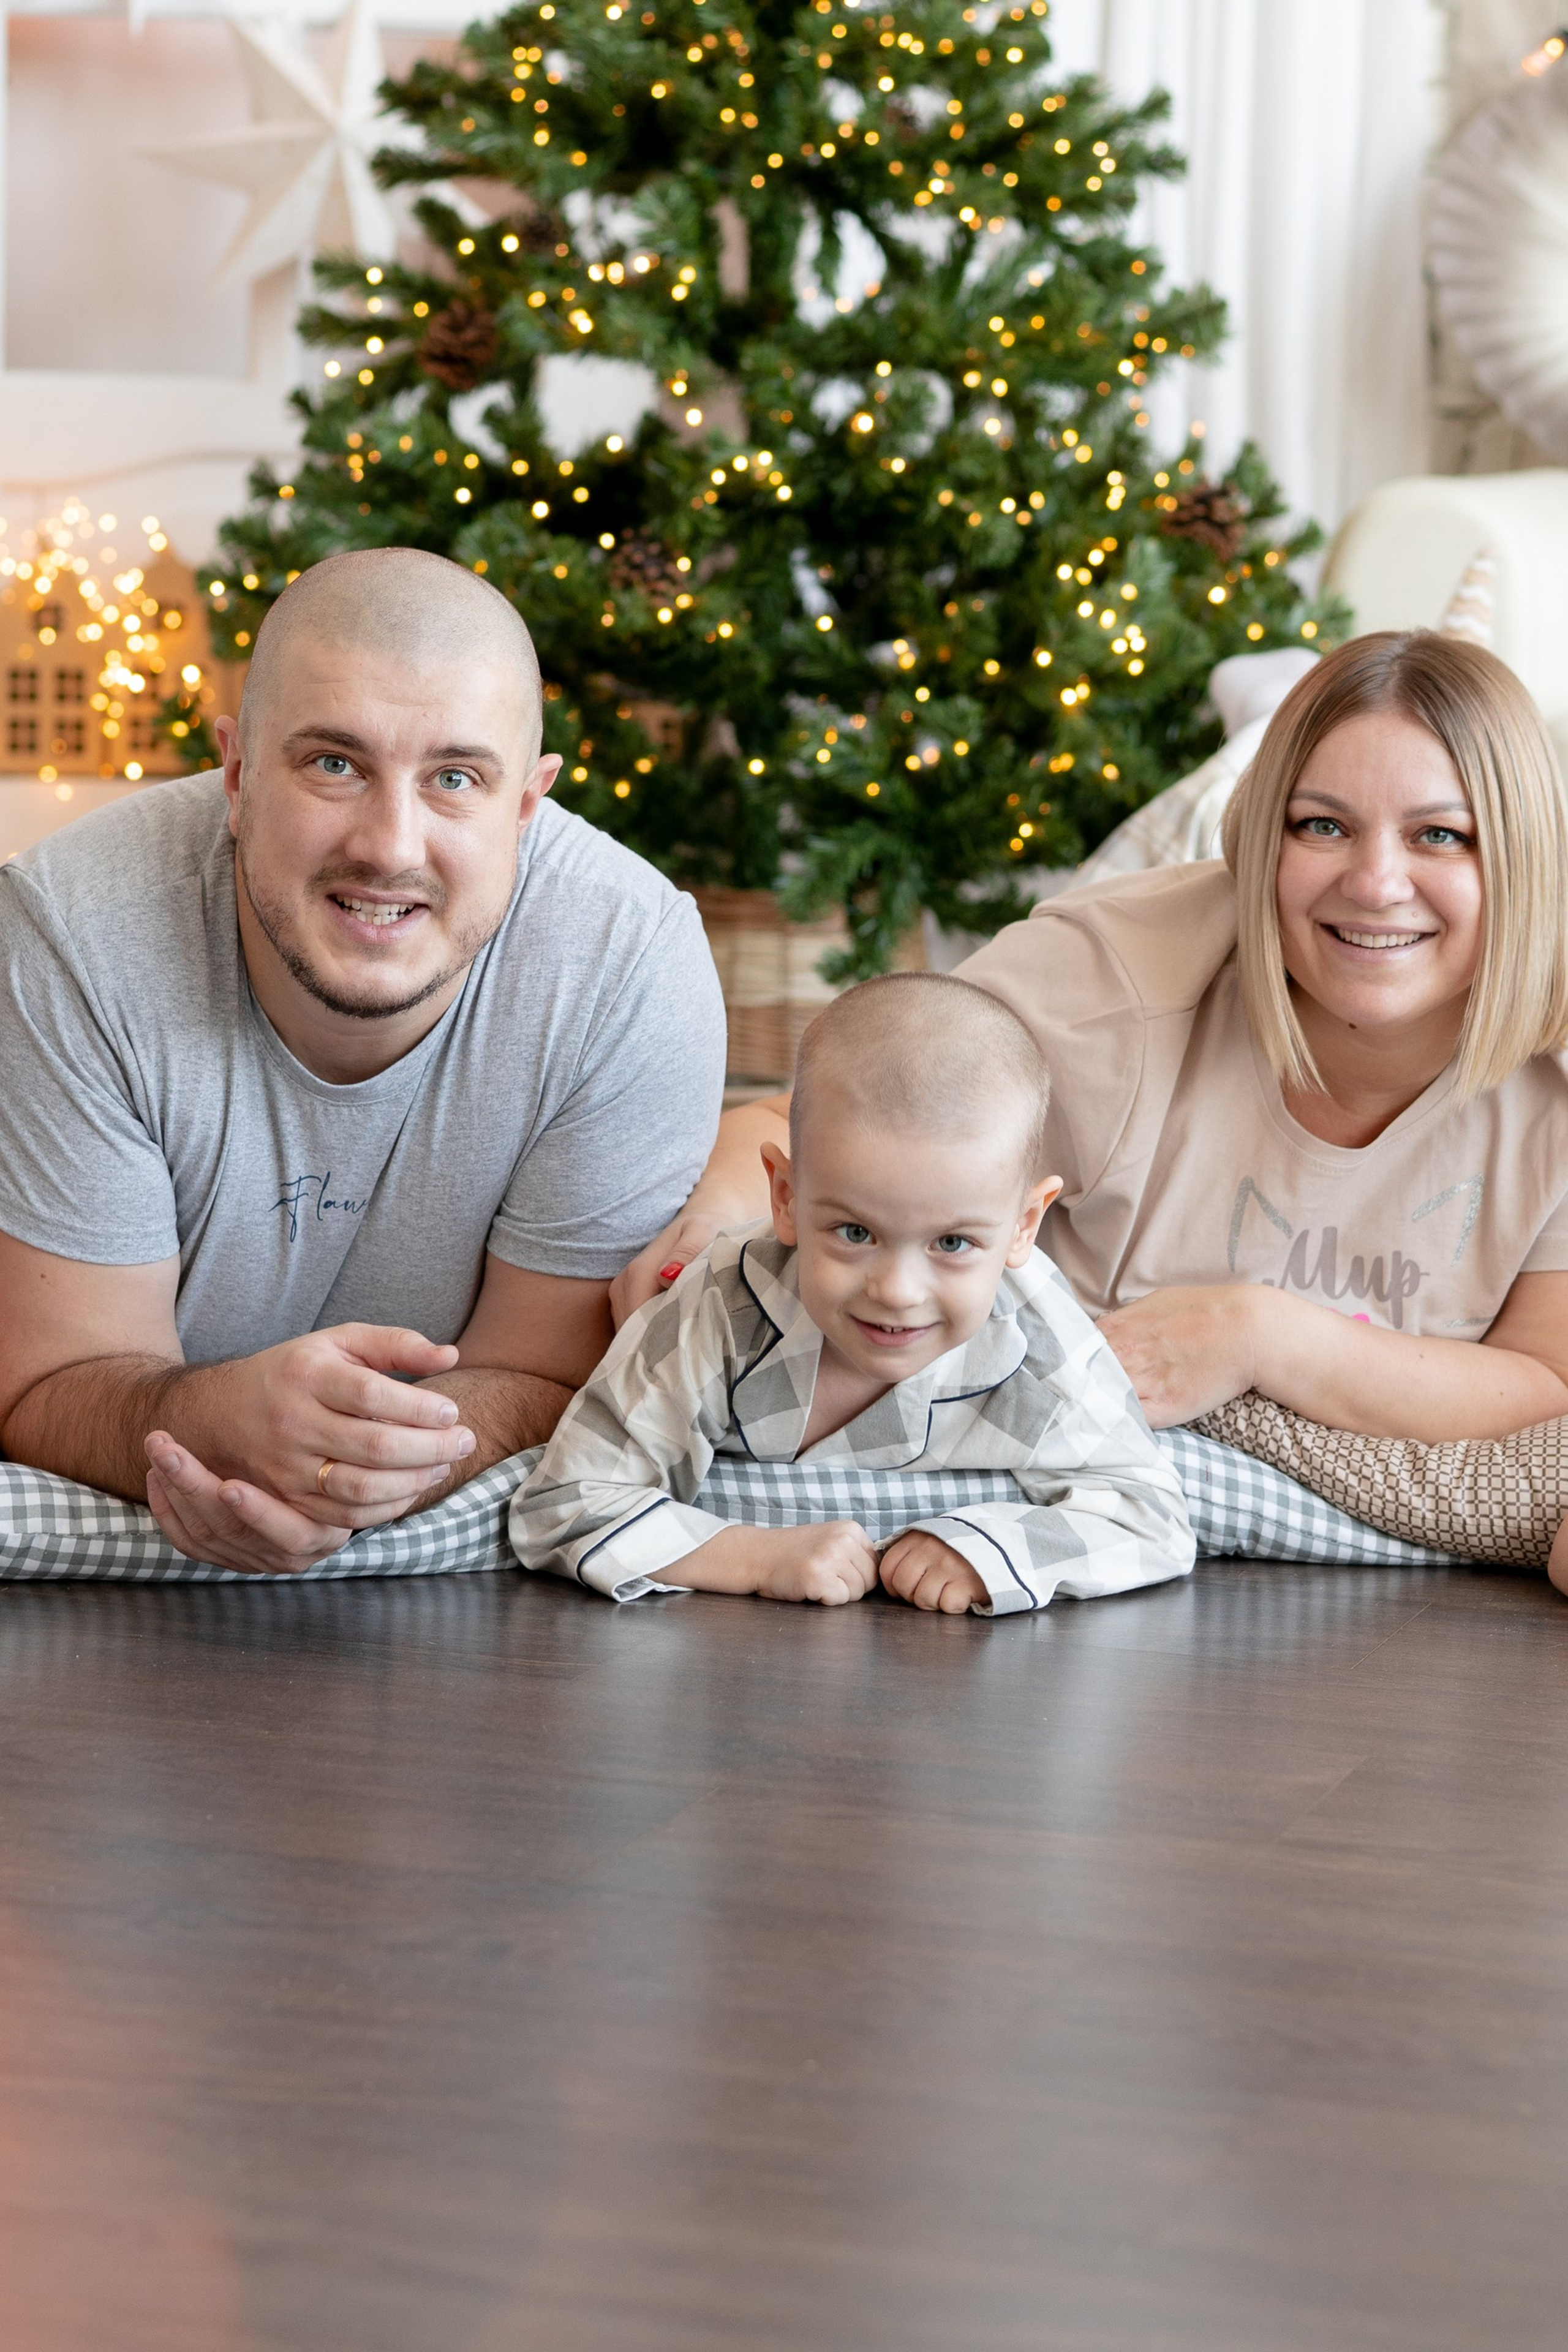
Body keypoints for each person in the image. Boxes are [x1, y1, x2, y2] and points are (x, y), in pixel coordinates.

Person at [617, 633, 1568, 1498]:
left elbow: (1544, 1385)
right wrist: (713, 1218)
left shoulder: (1554, 1085)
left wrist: (1257, 1334)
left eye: (1442, 835)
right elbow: (817, 1130)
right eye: (1321, 825)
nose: (1375, 883)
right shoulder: (1108, 986)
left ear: (1521, 861)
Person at [0, 548, 725, 1577]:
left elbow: (555, 1376)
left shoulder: (629, 965)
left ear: (526, 807)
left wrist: (345, 1467)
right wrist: (210, 1422)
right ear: (239, 776)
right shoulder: (69, 936)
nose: (391, 846)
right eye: (334, 764)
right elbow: (45, 1385)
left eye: (456, 779)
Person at [512, 974, 1193, 1611]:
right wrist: (752, 1557)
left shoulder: (1038, 1339)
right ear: (784, 1196)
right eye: (854, 1232)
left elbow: (1152, 1515)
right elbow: (563, 1502)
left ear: (1023, 1226)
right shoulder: (722, 1303)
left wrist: (989, 1551)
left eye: (952, 1244)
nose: (897, 1292)